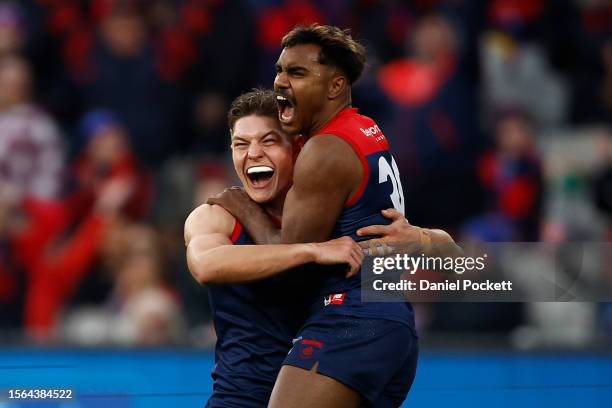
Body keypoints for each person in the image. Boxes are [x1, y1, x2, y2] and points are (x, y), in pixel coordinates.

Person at [207, 25, 457, 407]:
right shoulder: (366, 129)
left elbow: (288, 255)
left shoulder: (325, 150)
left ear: (336, 87)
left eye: (297, 73)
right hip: (389, 321)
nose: (280, 82)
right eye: (279, 70)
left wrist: (241, 205)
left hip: (350, 320)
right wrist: (429, 240)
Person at [185, 89, 365, 407]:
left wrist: (428, 241)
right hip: (239, 398)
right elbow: (206, 265)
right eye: (241, 144)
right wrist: (308, 251)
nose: (253, 153)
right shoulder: (216, 216)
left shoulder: (337, 221)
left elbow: (401, 280)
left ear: (297, 148)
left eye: (268, 141)